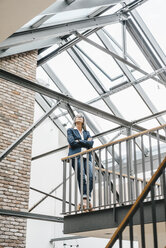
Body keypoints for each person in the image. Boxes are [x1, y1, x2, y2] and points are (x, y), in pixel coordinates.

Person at [67, 113, 94, 211]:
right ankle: (85, 199)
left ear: (83, 120)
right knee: (81, 177)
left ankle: (86, 197)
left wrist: (79, 141)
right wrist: (84, 142)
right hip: (76, 157)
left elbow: (91, 143)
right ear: (75, 120)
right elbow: (72, 142)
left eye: (81, 117)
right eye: (77, 116)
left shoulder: (87, 132)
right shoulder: (70, 130)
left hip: (87, 157)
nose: (79, 117)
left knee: (92, 176)